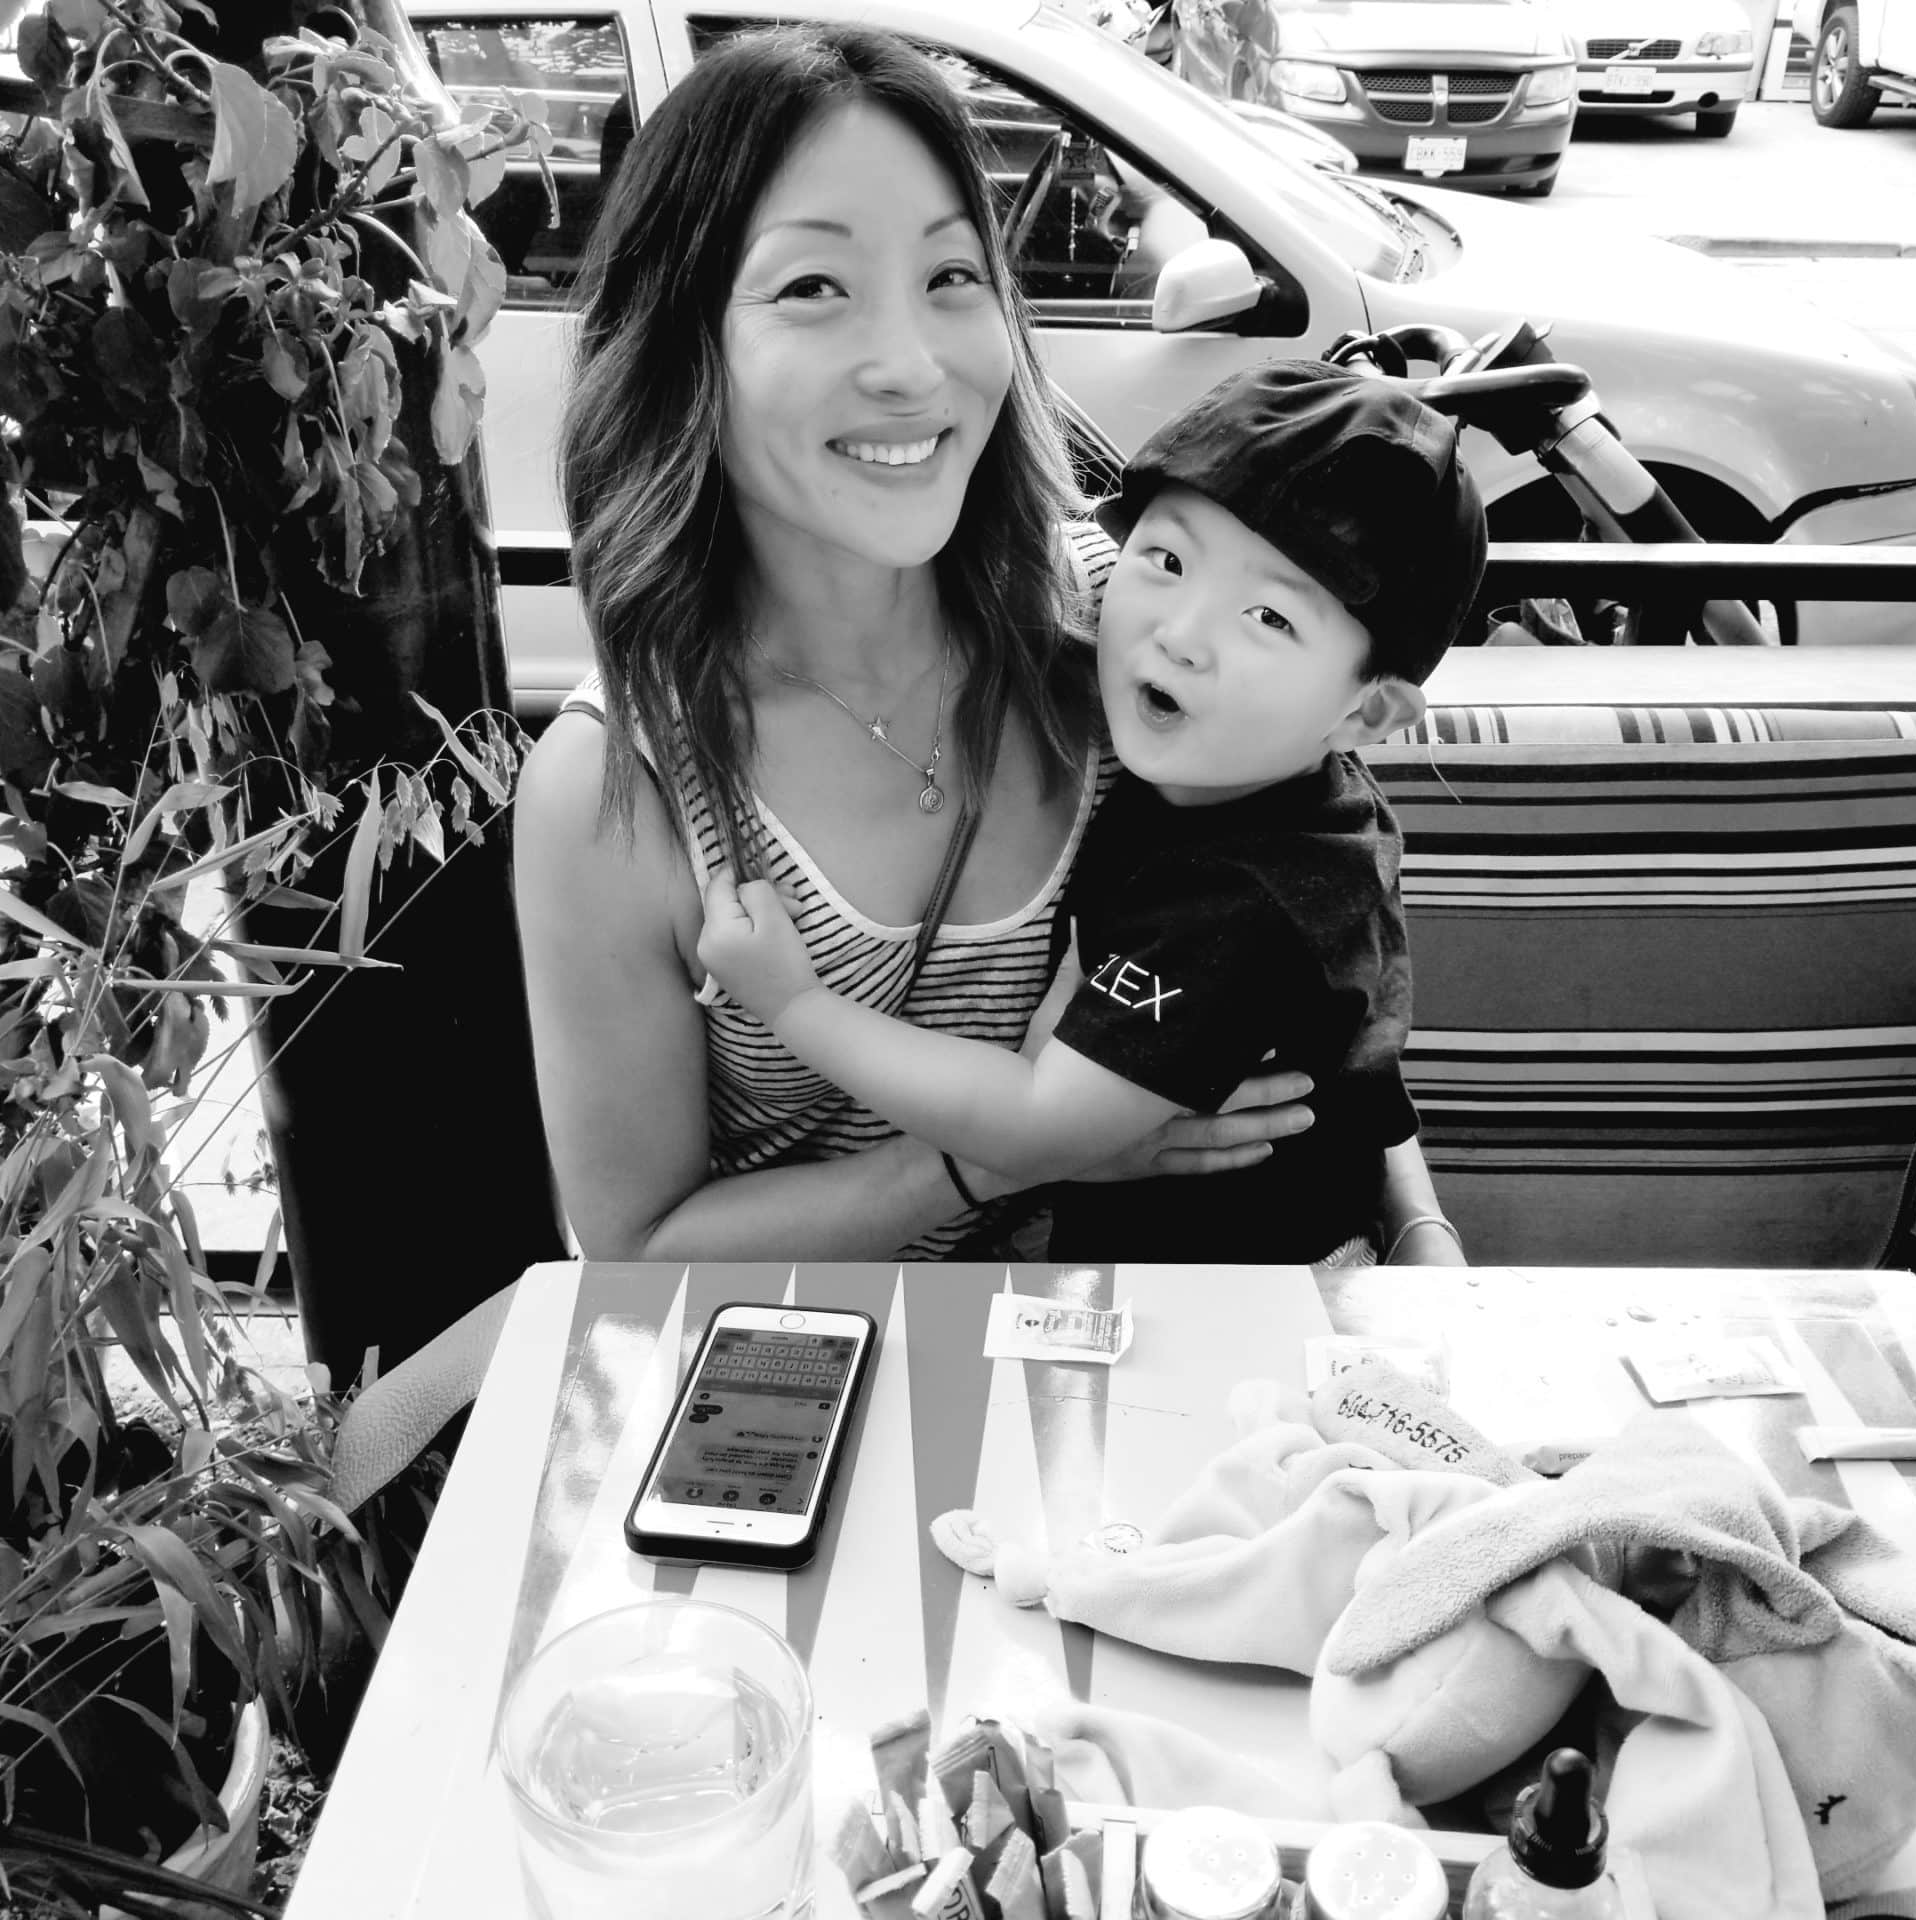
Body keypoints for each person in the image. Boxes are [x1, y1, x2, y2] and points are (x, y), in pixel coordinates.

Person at [514, 25, 1319, 1263]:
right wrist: (1009, 1149)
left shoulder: (1126, 624)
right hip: (821, 1361)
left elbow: (1312, 910)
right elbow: (642, 1246)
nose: (910, 367)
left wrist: (1417, 1227)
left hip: (1154, 1339)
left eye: (950, 276)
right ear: (682, 350)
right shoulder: (622, 786)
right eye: (812, 288)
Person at [698, 359, 1481, 1265]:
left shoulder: (1248, 900)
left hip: (1255, 1305)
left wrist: (795, 1003)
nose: (1181, 635)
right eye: (1168, 561)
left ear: (1366, 715)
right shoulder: (1258, 775)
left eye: (1270, 617)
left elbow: (1035, 1125)